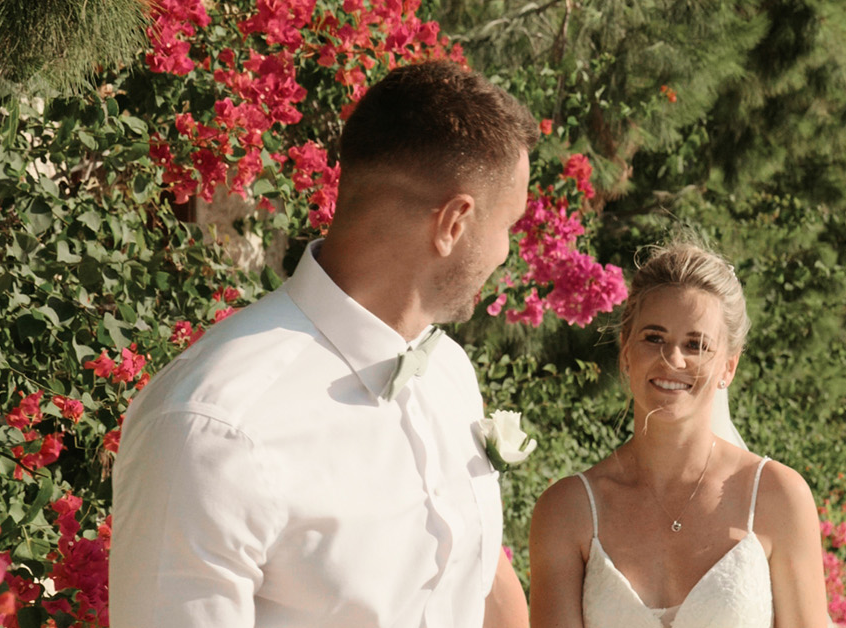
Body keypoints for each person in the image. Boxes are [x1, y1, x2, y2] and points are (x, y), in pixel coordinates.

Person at [110, 61, 538, 628]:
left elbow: (477, 582)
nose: (509, 253)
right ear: (453, 223)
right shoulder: (214, 427)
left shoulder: (450, 373)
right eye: (508, 224)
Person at [527, 242, 830, 628]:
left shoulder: (778, 497)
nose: (673, 359)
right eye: (654, 338)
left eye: (696, 345)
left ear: (729, 367)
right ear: (625, 351)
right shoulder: (567, 511)